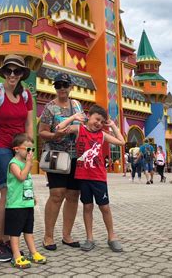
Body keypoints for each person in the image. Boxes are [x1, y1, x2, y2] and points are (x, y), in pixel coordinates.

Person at [56, 104, 126, 252]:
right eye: (97, 119)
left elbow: (121, 142)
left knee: (105, 207)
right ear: (89, 116)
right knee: (87, 207)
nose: (99, 123)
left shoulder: (102, 135)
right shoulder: (79, 129)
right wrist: (74, 117)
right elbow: (59, 128)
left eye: (102, 121)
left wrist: (112, 125)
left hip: (99, 177)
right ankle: (89, 238)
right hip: (82, 176)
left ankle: (112, 237)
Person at [0, 54, 34, 261]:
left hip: (21, 149)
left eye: (17, 71)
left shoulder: (26, 95)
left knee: (16, 195)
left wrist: (29, 150)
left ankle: (6, 240)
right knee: (7, 193)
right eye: (9, 71)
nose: (12, 75)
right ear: (3, 72)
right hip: (2, 148)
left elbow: (29, 125)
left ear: (22, 74)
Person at [38, 72, 82, 251]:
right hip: (56, 156)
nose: (62, 88)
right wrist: (56, 135)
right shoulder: (49, 108)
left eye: (65, 84)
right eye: (58, 85)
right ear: (54, 88)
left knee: (73, 195)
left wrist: (74, 128)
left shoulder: (77, 105)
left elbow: (83, 125)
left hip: (75, 156)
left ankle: (67, 235)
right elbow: (42, 132)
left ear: (71, 86)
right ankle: (48, 236)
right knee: (57, 194)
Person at [5, 134, 47, 269]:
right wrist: (29, 163)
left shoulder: (24, 164)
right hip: (15, 205)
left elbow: (27, 183)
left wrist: (32, 196)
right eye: (28, 149)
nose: (30, 152)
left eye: (32, 150)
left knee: (29, 230)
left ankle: (33, 252)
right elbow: (21, 177)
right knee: (15, 232)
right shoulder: (13, 163)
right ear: (17, 149)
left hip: (26, 203)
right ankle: (16, 256)